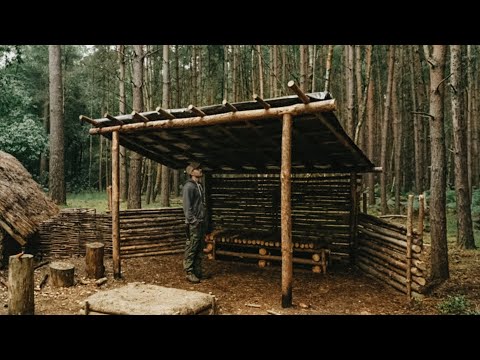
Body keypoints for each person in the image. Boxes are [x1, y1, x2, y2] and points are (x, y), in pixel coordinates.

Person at [182, 162, 207, 283]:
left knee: (199, 247)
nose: (200, 170)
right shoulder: (189, 187)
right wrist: (193, 221)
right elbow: (187, 207)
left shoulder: (199, 185)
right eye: (198, 169)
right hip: (194, 223)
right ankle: (189, 272)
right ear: (191, 172)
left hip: (201, 221)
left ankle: (197, 271)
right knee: (192, 247)